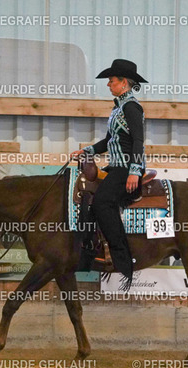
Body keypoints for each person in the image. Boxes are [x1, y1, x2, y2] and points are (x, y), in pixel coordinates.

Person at [71, 59, 148, 289]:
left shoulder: (131, 107)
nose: (108, 84)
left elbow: (138, 141)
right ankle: (91, 249)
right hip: (117, 167)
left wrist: (134, 171)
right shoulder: (118, 108)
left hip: (126, 168)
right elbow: (109, 141)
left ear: (124, 83)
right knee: (91, 197)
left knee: (103, 202)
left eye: (111, 81)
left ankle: (121, 257)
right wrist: (87, 151)